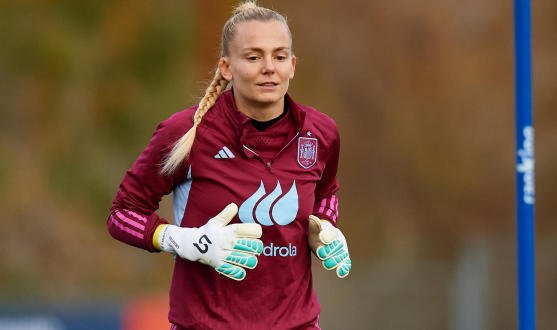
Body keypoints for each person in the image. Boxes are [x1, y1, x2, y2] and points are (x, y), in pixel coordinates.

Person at [107, 1, 351, 329]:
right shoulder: (185, 133)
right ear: (226, 67)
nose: (269, 67)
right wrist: (183, 240)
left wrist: (324, 227)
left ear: (292, 65)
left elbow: (326, 193)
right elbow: (122, 215)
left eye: (279, 56)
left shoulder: (321, 133)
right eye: (253, 57)